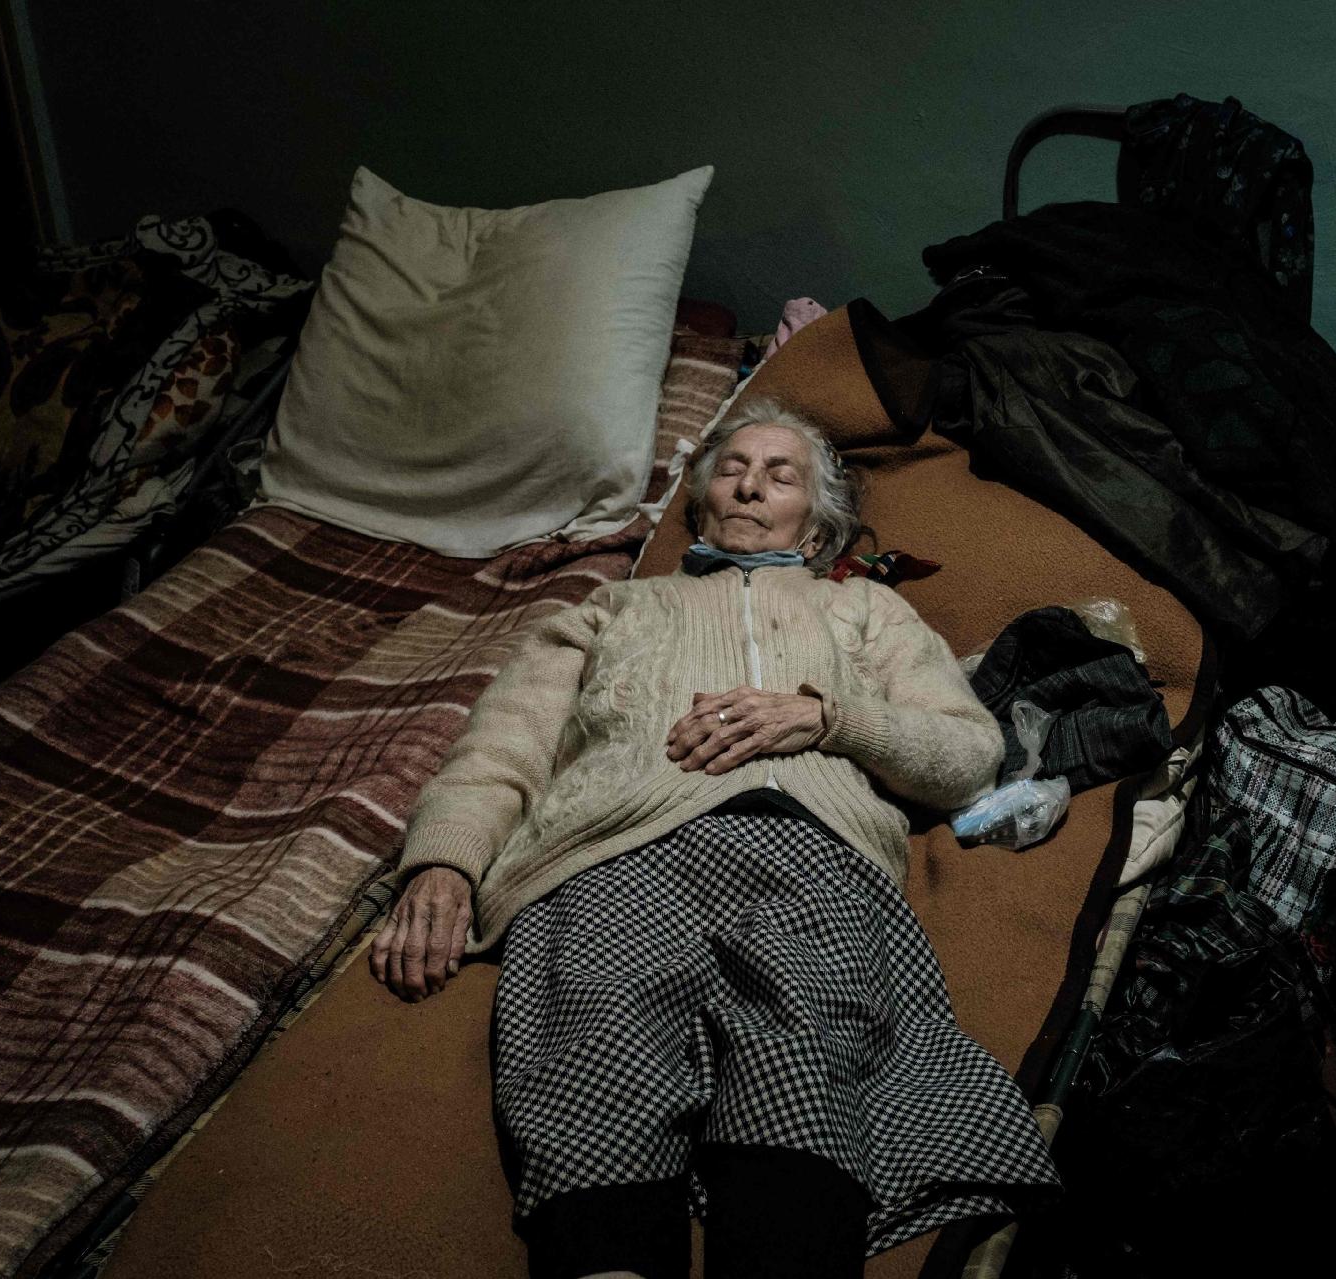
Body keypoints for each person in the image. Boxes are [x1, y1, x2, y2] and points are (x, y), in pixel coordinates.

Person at [370, 397, 1058, 1279]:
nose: (750, 484)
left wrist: (827, 718)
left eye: (781, 474)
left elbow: (967, 754)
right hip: (612, 856)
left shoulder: (869, 613)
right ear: (698, 506)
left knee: (804, 1050)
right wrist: (442, 863)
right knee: (597, 1042)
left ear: (816, 526)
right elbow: (502, 748)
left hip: (811, 857)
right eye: (732, 468)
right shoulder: (610, 608)